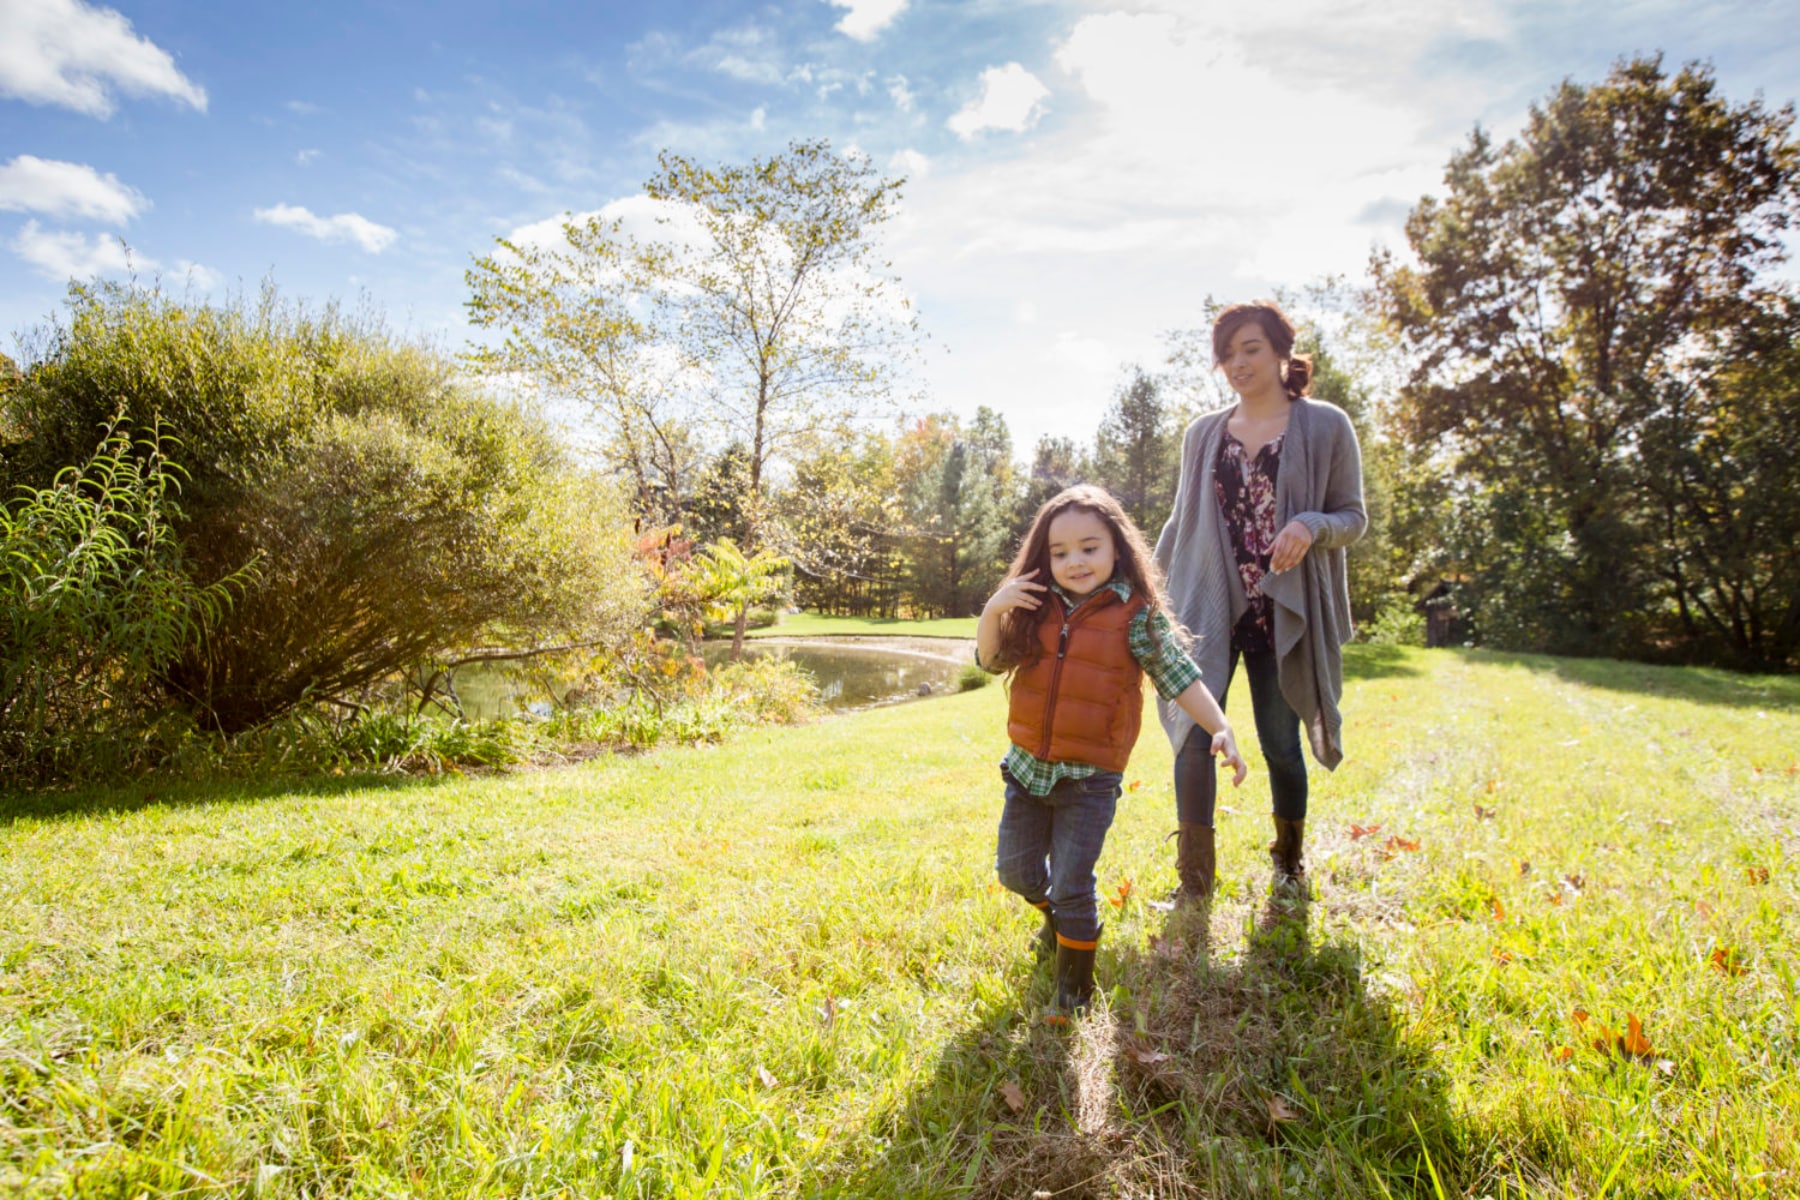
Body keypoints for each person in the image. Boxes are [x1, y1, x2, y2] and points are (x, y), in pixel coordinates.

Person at [977, 484, 1247, 1013]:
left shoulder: (1136, 615)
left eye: (1089, 547)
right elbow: (989, 662)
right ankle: (1054, 917)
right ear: (1044, 556)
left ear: (1116, 549)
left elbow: (1179, 676)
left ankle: (1072, 994)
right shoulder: (1035, 605)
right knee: (1016, 872)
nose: (1075, 561)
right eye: (1060, 553)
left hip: (1090, 779)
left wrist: (1220, 725)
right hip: (1027, 771)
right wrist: (993, 610)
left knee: (1074, 883)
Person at [1155, 300, 1366, 900]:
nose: (1238, 363)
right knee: (1194, 737)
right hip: (1210, 609)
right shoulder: (1203, 434)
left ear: (1280, 351)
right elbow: (1180, 523)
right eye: (1228, 354)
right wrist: (1146, 589)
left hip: (1285, 610)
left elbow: (1353, 518)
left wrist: (1309, 525)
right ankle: (1193, 884)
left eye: (1251, 349)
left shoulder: (1325, 425)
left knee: (1280, 741)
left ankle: (1288, 863)